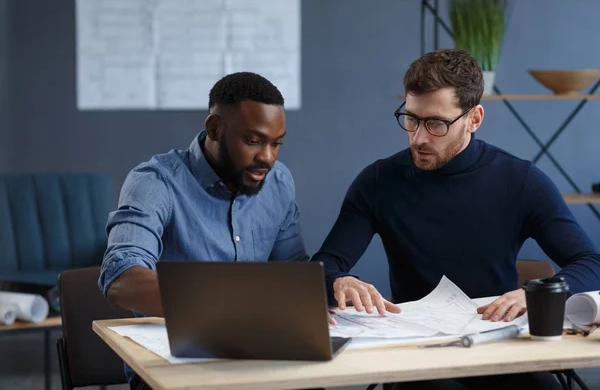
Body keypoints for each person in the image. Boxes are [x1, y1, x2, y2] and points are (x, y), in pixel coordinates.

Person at [311, 49, 600, 389]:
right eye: (412, 118)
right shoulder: (378, 182)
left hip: (498, 350)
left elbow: (590, 262)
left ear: (474, 119)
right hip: (417, 358)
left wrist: (537, 294)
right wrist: (340, 281)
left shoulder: (520, 181)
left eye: (436, 123)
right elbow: (327, 262)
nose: (419, 137)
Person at [98, 72, 309, 390]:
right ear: (214, 128)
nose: (267, 157)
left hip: (262, 360)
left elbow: (295, 275)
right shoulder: (155, 183)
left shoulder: (278, 182)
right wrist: (232, 308)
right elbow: (121, 280)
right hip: (176, 368)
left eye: (276, 143)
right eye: (253, 141)